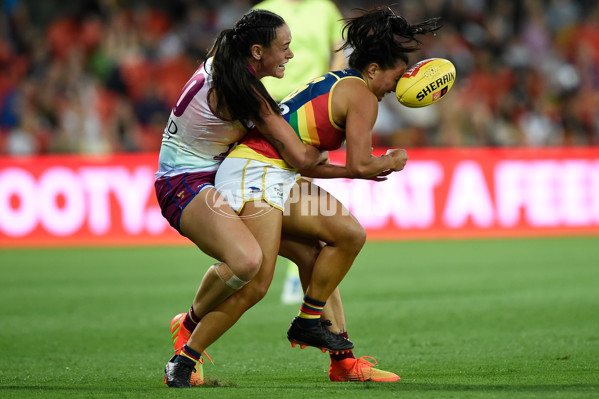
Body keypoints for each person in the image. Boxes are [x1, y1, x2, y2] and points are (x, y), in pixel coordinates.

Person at [165, 6, 440, 387]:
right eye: (395, 75)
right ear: (374, 70)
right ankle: (185, 357)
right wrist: (390, 160)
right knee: (257, 281)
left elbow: (306, 160)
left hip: (273, 171)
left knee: (345, 236)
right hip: (254, 171)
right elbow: (353, 164)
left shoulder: (338, 80)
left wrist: (338, 165)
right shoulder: (361, 97)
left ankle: (328, 343)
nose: (398, 83)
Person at [156, 9, 329, 387]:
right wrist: (331, 153)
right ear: (256, 51)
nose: (290, 55)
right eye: (284, 48)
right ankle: (187, 325)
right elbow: (299, 156)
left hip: (222, 173)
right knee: (248, 261)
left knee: (310, 250)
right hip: (183, 182)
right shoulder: (241, 87)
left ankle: (342, 354)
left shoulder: (229, 65)